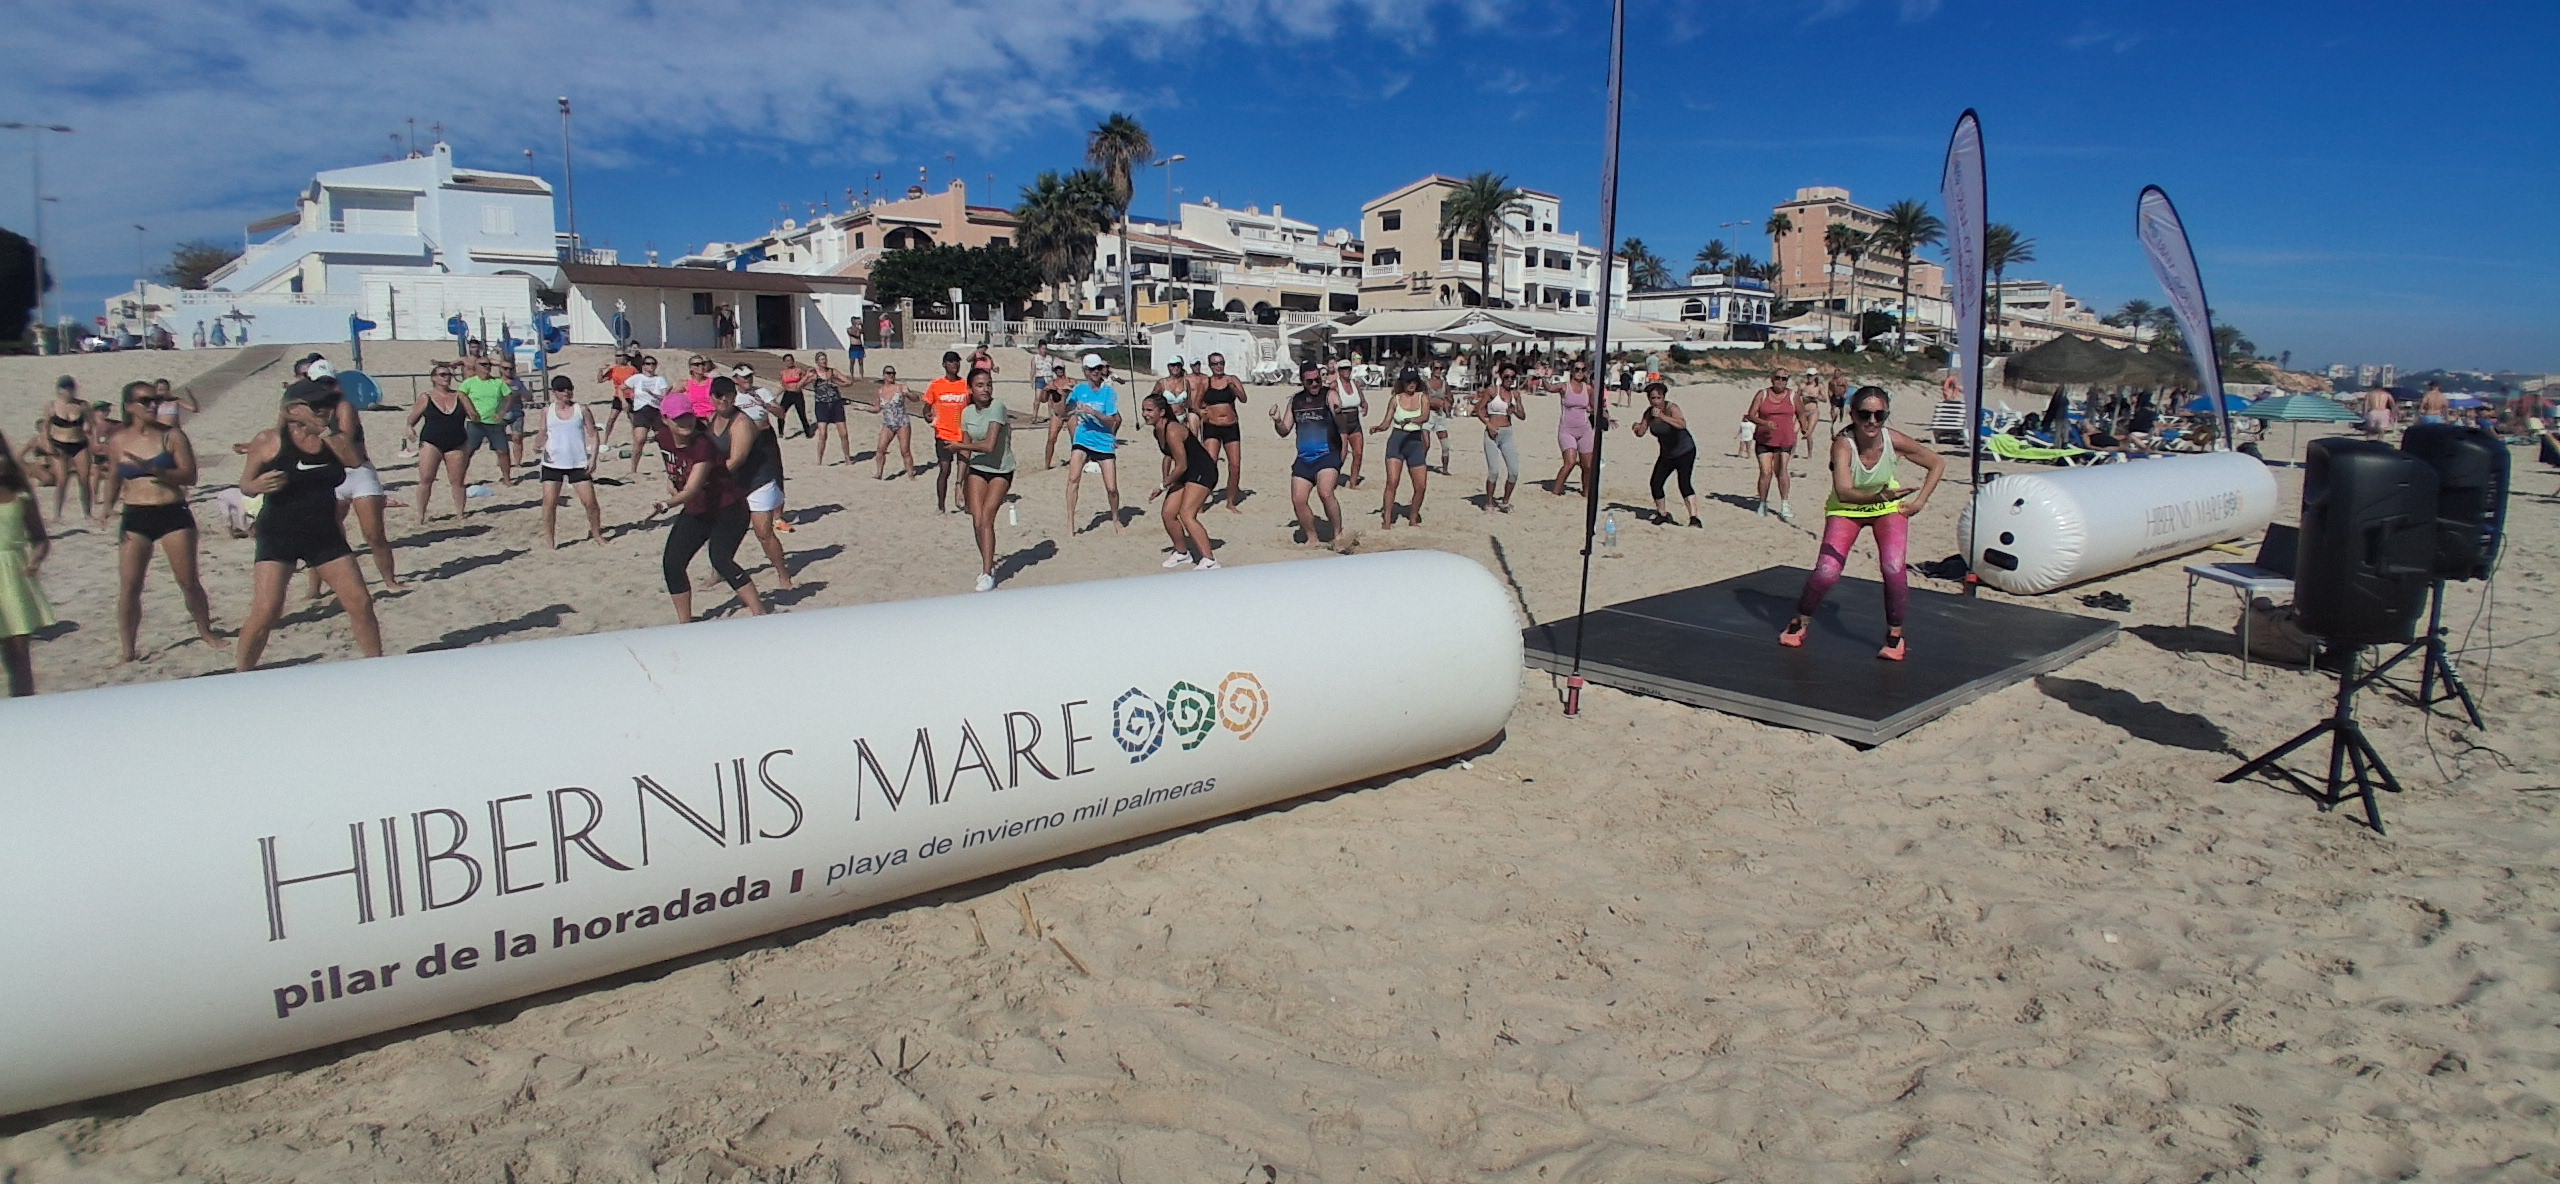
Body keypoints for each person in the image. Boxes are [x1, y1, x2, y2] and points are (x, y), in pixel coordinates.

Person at [1778, 387, 1945, 661]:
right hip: (1847, 509)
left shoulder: (1894, 440)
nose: (1872, 421)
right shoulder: (1843, 445)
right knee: (1827, 571)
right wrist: (1880, 496)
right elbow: (1844, 492)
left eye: (1879, 415)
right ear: (1853, 415)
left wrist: (1919, 502)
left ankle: (1895, 635)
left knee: (1893, 567)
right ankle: (1801, 620)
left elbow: (1936, 463)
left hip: (1886, 509)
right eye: (1865, 415)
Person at [234, 384, 384, 671]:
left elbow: (354, 461)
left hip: (323, 532)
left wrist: (326, 431)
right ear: (293, 409)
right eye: (316, 405)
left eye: (328, 404)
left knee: (360, 602)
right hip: (279, 533)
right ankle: (241, 673)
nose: (325, 409)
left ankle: (377, 668)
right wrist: (258, 484)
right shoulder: (269, 440)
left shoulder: (333, 439)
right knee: (266, 611)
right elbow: (246, 485)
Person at [651, 409, 766, 623]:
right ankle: (685, 622)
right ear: (666, 420)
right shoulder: (663, 437)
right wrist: (672, 479)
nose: (685, 422)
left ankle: (760, 614)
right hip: (699, 509)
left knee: (721, 558)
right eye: (678, 418)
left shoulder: (703, 445)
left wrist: (666, 504)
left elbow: (691, 489)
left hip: (729, 508)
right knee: (672, 563)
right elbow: (673, 462)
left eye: (687, 416)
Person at [712, 377, 794, 589]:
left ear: (734, 396)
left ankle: (783, 574)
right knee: (721, 531)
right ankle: (717, 572)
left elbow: (737, 458)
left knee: (763, 532)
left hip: (758, 478)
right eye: (718, 396)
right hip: (733, 481)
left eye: (728, 396)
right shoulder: (712, 421)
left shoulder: (742, 421)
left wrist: (710, 477)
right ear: (712, 397)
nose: (723, 400)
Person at [945, 369, 1016, 592]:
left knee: (987, 517)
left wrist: (959, 445)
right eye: (980, 385)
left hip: (1001, 469)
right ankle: (988, 560)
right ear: (971, 389)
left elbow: (989, 445)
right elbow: (965, 453)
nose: (986, 389)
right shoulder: (967, 413)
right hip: (977, 468)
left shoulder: (997, 407)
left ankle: (986, 573)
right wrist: (958, 484)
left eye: (988, 384)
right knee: (977, 521)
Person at [1273, 363, 1348, 549]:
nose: (1315, 384)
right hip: (1304, 458)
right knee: (1298, 499)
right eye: (1310, 381)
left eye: (1317, 379)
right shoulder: (1296, 401)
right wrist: (1277, 420)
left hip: (1327, 454)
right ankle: (1312, 538)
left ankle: (1338, 534)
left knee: (1325, 492)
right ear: (1302, 381)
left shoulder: (1329, 395)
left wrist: (1343, 450)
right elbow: (1284, 431)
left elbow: (1342, 423)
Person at [0, 434, 52, 696]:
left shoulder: (20, 492)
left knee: (19, 655)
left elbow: (40, 538)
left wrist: (35, 559)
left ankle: (23, 706)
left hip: (14, 576)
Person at [1145, 393, 1220, 569]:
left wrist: (1163, 485)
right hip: (1186, 472)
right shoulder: (1157, 430)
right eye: (1144, 410)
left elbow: (1181, 465)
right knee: (1168, 513)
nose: (1145, 414)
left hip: (1202, 471)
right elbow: (1171, 458)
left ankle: (1210, 560)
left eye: (1149, 410)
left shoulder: (1172, 430)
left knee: (1187, 514)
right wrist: (1167, 480)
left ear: (1161, 412)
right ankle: (1182, 553)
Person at [535, 376, 604, 549]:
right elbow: (543, 431)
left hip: (577, 462)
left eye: (569, 388)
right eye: (562, 389)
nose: (566, 392)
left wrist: (593, 459)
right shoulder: (547, 411)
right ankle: (550, 540)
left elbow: (593, 434)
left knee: (590, 502)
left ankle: (596, 533)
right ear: (554, 392)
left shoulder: (582, 409)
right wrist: (537, 444)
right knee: (549, 503)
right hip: (552, 463)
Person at [403, 363, 474, 523]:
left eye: (448, 374)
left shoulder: (460, 396)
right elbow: (412, 419)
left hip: (457, 441)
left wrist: (469, 404)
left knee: (457, 481)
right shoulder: (426, 397)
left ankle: (460, 513)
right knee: (426, 479)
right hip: (431, 441)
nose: (446, 378)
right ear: (433, 378)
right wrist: (409, 429)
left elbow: (474, 416)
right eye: (442, 375)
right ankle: (421, 515)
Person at [1064, 354, 1124, 535]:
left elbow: (1112, 420)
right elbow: (1066, 410)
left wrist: (1093, 412)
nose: (1095, 372)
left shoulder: (1108, 392)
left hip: (1104, 441)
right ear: (1085, 371)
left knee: (1112, 488)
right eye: (1091, 369)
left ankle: (1115, 518)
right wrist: (1063, 395)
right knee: (1073, 479)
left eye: (1098, 368)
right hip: (1083, 438)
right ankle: (1070, 522)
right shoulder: (1079, 389)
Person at [1632, 381, 1700, 526]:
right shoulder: (1649, 413)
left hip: (1685, 450)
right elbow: (1641, 432)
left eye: (1659, 398)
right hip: (1667, 454)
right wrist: (1637, 428)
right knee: (1656, 483)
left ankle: (1694, 518)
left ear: (1664, 397)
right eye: (1653, 398)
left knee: (1684, 483)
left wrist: (1663, 417)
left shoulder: (1671, 408)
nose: (1656, 401)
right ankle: (1662, 514)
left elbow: (1682, 424)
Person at [1372, 370, 1434, 528]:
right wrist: (1378, 428)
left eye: (1414, 381)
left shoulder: (1422, 397)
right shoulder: (1395, 399)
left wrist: (1411, 419)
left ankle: (1413, 517)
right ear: (1402, 382)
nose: (1411, 384)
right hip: (1397, 442)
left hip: (1415, 443)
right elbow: (1387, 422)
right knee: (1392, 482)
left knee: (1421, 486)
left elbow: (1425, 416)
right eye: (1408, 381)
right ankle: (1387, 520)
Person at [35, 376, 98, 523]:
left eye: (70, 389)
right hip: (59, 445)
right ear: (59, 390)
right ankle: (57, 514)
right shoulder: (52, 406)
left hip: (80, 444)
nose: (68, 392)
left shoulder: (83, 405)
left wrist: (94, 441)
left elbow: (93, 424)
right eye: (65, 389)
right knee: (62, 480)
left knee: (84, 479)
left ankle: (87, 513)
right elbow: (46, 427)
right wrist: (48, 444)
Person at [1198, 352, 1249, 511]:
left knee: (1235, 465)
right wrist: (1201, 412)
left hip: (1230, 426)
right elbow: (1195, 403)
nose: (1218, 366)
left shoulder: (1232, 379)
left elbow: (1244, 399)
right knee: (1210, 463)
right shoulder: (1206, 382)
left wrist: (1234, 389)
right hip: (1212, 426)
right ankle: (1201, 500)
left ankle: (1231, 502)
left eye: (1221, 363)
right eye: (1215, 363)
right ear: (1210, 366)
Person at [925, 351, 974, 513]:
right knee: (945, 469)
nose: (955, 364)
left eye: (957, 361)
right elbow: (926, 409)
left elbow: (974, 406)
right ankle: (941, 506)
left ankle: (966, 502)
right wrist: (929, 418)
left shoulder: (966, 385)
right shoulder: (936, 385)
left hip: (963, 433)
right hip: (944, 434)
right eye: (951, 362)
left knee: (965, 470)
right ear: (944, 364)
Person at [1747, 371, 1799, 522]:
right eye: (1777, 378)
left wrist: (1804, 430)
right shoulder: (1762, 394)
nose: (1780, 381)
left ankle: (1785, 504)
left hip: (1785, 440)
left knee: (1781, 471)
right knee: (1765, 472)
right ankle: (1762, 502)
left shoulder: (1793, 396)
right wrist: (1765, 423)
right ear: (1772, 379)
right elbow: (1751, 415)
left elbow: (1801, 413)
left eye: (1784, 379)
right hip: (1764, 439)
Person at [456, 357, 516, 488]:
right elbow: (461, 395)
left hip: (494, 423)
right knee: (468, 451)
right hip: (476, 423)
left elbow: (510, 396)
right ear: (476, 367)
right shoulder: (469, 382)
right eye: (483, 364)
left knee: (502, 451)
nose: (486, 367)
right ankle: (459, 480)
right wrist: (470, 411)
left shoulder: (498, 382)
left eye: (488, 364)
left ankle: (507, 478)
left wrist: (503, 412)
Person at [1476, 364, 1526, 512]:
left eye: (1512, 377)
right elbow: (1479, 410)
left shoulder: (1515, 395)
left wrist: (1514, 409)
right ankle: (1489, 501)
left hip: (1507, 433)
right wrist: (1488, 424)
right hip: (1492, 432)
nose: (1509, 380)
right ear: (1501, 377)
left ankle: (1505, 501)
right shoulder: (1492, 390)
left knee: (1514, 471)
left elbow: (1523, 416)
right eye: (1507, 376)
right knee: (1494, 471)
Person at [1551, 362, 1599, 497]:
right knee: (1570, 462)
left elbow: (1594, 407)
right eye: (1577, 369)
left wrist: (1607, 417)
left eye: (1583, 370)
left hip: (1584, 429)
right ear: (1571, 371)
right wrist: (1543, 377)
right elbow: (1549, 388)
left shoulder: (1588, 388)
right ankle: (1556, 490)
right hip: (1567, 430)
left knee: (1587, 465)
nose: (1580, 372)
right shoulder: (1564, 387)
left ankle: (1586, 491)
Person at [622, 355, 670, 477]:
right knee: (639, 440)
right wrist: (624, 402)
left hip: (656, 411)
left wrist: (652, 394)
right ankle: (633, 469)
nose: (651, 366)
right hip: (641, 411)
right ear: (643, 366)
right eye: (648, 364)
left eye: (653, 364)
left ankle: (669, 467)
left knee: (664, 441)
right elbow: (620, 388)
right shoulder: (637, 378)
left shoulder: (660, 379)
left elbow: (664, 396)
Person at [872, 366, 917, 479]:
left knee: (905, 450)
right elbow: (877, 408)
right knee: (880, 449)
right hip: (888, 423)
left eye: (893, 373)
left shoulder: (901, 388)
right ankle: (879, 473)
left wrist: (908, 394)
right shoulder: (880, 391)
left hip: (902, 423)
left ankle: (910, 474)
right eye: (888, 373)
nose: (891, 375)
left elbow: (916, 399)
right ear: (884, 375)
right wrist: (863, 408)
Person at [1330, 360, 1368, 488]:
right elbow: (1327, 400)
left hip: (1354, 422)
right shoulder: (1335, 385)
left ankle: (1353, 482)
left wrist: (1365, 406)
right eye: (1343, 369)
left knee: (1358, 453)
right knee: (1342, 453)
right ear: (1339, 371)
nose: (1346, 371)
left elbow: (1363, 401)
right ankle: (1332, 479)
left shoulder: (1355, 384)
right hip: (1341, 422)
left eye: (1348, 368)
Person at [809, 351, 852, 465]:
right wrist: (808, 377)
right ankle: (819, 460)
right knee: (823, 434)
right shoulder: (814, 374)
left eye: (825, 359)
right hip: (822, 405)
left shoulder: (833, 372)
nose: (824, 361)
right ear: (817, 362)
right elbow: (802, 384)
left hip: (836, 404)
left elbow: (848, 382)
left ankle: (847, 458)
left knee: (844, 434)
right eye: (821, 360)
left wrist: (838, 383)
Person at [1035, 362, 1074, 469]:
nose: (1059, 371)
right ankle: (1047, 464)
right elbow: (1043, 400)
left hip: (1071, 413)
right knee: (1051, 438)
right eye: (1057, 369)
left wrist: (1066, 390)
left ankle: (1076, 460)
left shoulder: (1071, 382)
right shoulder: (1052, 383)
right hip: (1057, 414)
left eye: (1060, 368)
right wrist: (1046, 390)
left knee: (1075, 438)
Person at [1424, 358, 1455, 473]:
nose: (1438, 371)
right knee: (1426, 444)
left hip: (1440, 415)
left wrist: (1447, 402)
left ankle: (1445, 469)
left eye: (1440, 368)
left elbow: (1450, 398)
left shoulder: (1444, 384)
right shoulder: (1425, 383)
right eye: (1436, 368)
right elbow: (1421, 398)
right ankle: (1420, 465)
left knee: (1445, 445)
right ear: (1431, 369)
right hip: (1427, 415)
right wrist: (1433, 402)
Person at [774, 353, 813, 439]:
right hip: (788, 394)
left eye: (790, 360)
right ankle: (780, 432)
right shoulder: (783, 373)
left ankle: (808, 433)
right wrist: (776, 395)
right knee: (781, 412)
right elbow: (783, 386)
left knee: (801, 414)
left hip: (797, 394)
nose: (789, 362)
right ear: (784, 362)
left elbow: (805, 381)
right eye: (787, 361)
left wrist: (807, 381)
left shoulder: (799, 371)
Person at [1795, 371, 1823, 460]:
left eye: (1811, 376)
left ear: (1815, 376)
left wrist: (1816, 397)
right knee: (1794, 431)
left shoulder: (1819, 386)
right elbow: (1796, 397)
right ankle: (1792, 452)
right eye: (1808, 375)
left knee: (1809, 433)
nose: (1809, 377)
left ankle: (1809, 454)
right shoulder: (1802, 386)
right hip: (1803, 411)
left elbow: (1825, 399)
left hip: (1813, 411)